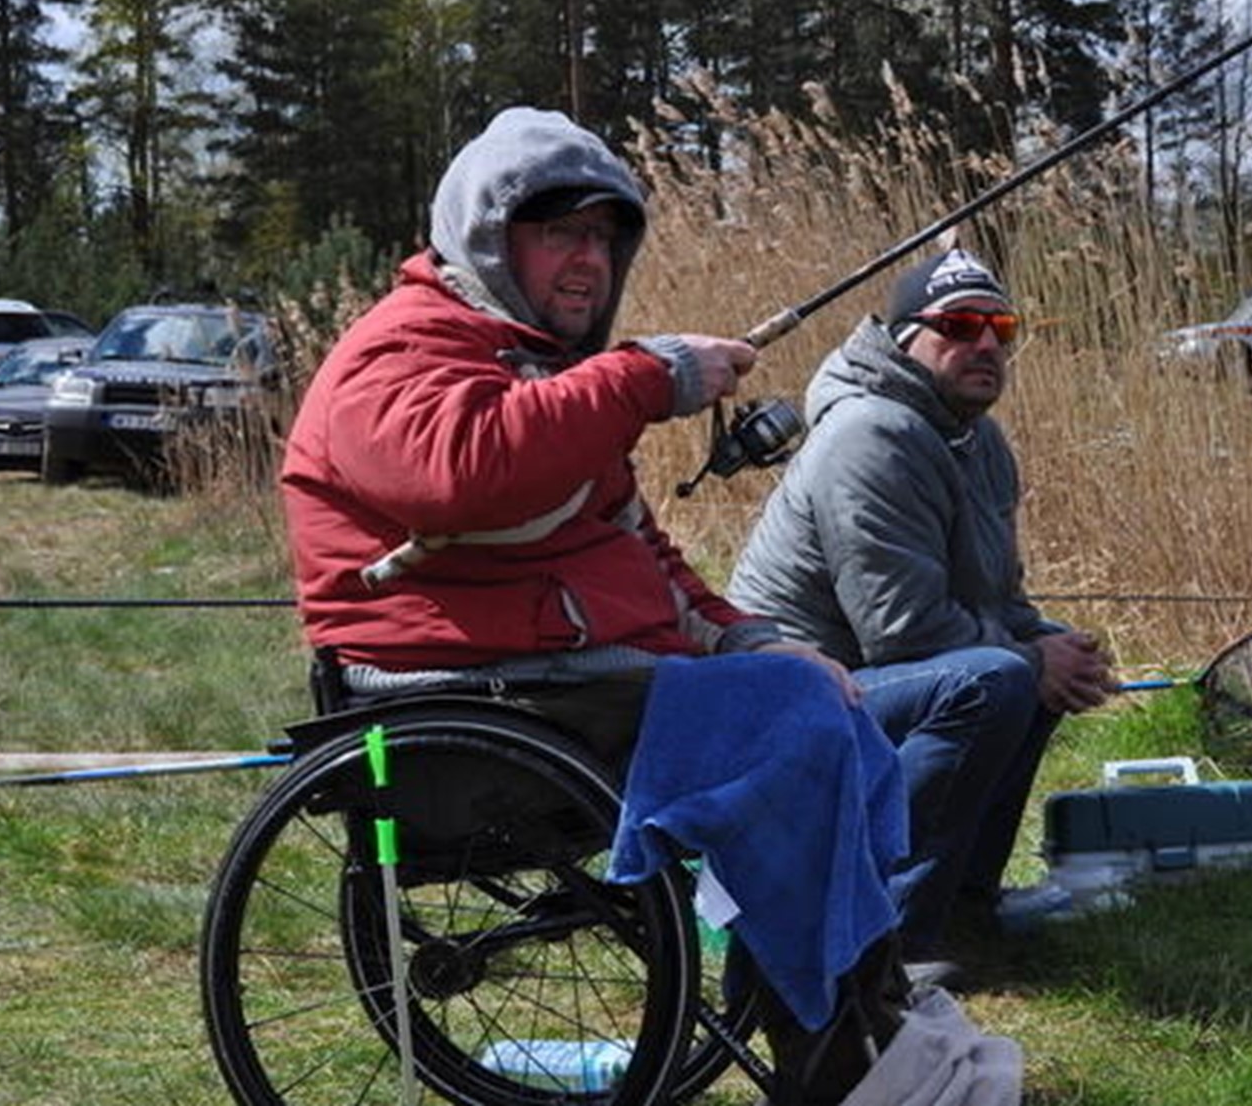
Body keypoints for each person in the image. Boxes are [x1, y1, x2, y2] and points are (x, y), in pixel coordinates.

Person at [279, 105, 958, 1106]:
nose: (588, 259)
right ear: (486, 232)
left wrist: (749, 636)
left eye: (605, 235)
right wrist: (648, 375)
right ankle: (839, 1070)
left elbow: (634, 549)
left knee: (830, 706)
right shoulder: (401, 350)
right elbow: (463, 472)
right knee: (795, 725)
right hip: (458, 698)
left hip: (557, 682)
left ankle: (865, 1011)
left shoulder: (545, 374)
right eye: (559, 231)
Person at [728, 246, 1114, 971]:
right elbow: (901, 631)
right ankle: (886, 935)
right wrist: (1030, 658)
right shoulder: (871, 434)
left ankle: (964, 905)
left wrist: (1056, 648)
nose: (987, 344)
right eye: (961, 325)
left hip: (868, 676)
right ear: (906, 337)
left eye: (1003, 327)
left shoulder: (979, 439)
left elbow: (997, 601)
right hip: (788, 696)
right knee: (995, 679)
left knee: (1035, 657)